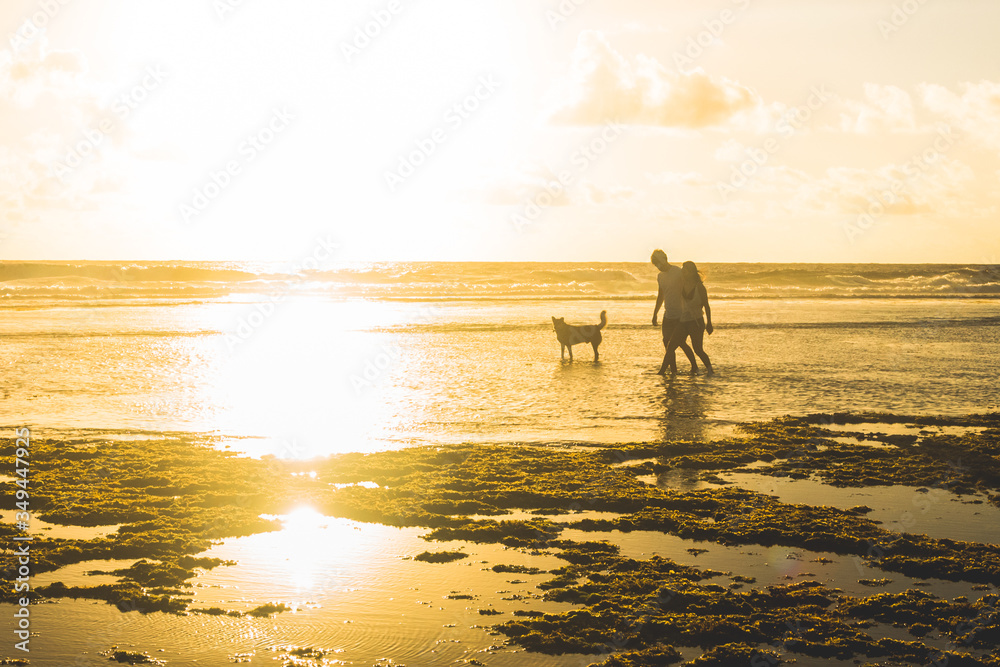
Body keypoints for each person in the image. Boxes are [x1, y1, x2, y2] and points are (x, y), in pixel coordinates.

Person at [651, 249, 697, 374]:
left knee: (680, 343)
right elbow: (661, 296)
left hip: (681, 315)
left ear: (664, 260)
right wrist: (655, 313)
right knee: (666, 342)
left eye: (658, 263)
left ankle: (694, 366)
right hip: (668, 314)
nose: (658, 267)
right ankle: (674, 369)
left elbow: (690, 286)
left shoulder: (677, 272)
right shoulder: (660, 276)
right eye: (655, 265)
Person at [666, 261, 714, 375]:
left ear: (691, 272)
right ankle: (666, 371)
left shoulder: (700, 287)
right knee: (671, 345)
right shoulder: (681, 283)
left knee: (698, 349)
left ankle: (710, 370)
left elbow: (706, 305)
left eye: (685, 269)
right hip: (683, 321)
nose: (682, 271)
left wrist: (709, 323)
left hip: (696, 322)